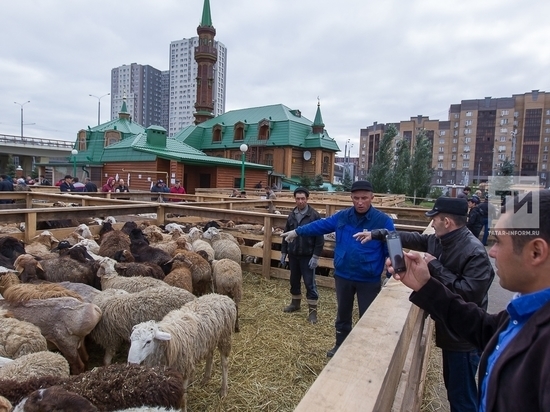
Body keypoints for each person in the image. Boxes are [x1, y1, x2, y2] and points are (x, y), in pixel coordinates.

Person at [387, 189, 550, 412]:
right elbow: (485, 328)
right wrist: (425, 286)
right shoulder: (525, 313)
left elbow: (472, 299)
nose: (492, 252)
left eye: (500, 242)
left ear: (536, 252)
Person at [355, 196, 494, 412]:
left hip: (464, 339)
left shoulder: (475, 252)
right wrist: (377, 234)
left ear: (446, 222)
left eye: (435, 218)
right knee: (456, 392)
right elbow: (409, 237)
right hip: (451, 332)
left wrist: (434, 266)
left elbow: (469, 295)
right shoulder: (440, 239)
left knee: (462, 397)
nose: (432, 222)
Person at [281, 180, 395, 357]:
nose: (360, 202)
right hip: (343, 275)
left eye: (364, 198)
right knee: (343, 314)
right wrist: (298, 232)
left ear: (372, 197)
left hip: (369, 278)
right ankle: (340, 346)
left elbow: (393, 247)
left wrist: (391, 274)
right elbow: (320, 225)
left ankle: (366, 352)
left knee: (368, 317)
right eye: (356, 198)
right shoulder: (343, 216)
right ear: (351, 197)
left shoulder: (384, 221)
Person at [280, 187, 325, 324]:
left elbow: (319, 238)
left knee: (309, 282)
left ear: (307, 199)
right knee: (294, 280)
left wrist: (316, 256)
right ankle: (295, 303)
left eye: (303, 198)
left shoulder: (314, 215)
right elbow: (285, 234)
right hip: (294, 254)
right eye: (298, 199)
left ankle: (312, 312)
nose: (300, 201)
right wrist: (283, 252)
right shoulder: (292, 215)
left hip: (307, 255)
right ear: (295, 199)